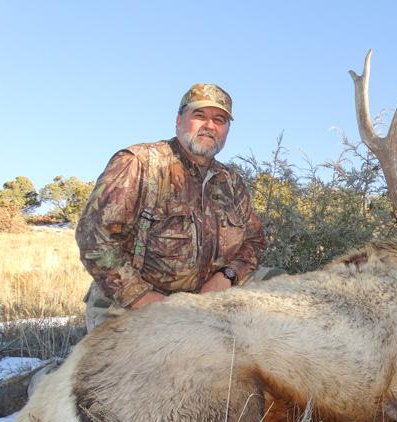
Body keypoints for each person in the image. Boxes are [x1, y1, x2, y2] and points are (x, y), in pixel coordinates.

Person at [76, 83, 267, 331]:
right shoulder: (140, 163)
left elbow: (254, 242)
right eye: (200, 116)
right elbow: (95, 239)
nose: (210, 126)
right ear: (179, 120)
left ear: (226, 131)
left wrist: (227, 277)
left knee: (279, 290)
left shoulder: (231, 182)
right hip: (133, 304)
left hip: (206, 301)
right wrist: (144, 298)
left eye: (219, 120)